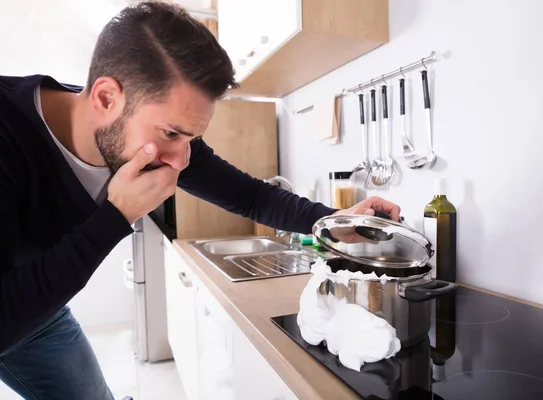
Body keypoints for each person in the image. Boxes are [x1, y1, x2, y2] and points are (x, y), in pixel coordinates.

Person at [0, 1, 401, 399]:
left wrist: (333, 221)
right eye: (172, 133)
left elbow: (249, 196)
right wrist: (116, 216)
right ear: (106, 98)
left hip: (43, 311)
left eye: (191, 139)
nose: (181, 161)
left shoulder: (156, 136)